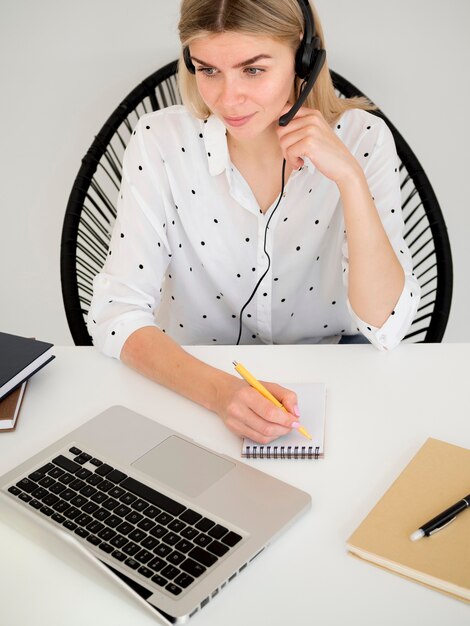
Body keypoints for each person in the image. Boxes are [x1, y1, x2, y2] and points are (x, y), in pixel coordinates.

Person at [88, 0, 420, 445]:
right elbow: (116, 314)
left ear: (304, 58)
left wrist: (348, 179)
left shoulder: (363, 139)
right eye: (208, 70)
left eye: (253, 70)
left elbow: (388, 324)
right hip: (197, 384)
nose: (228, 98)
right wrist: (222, 393)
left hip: (335, 383)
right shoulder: (159, 142)